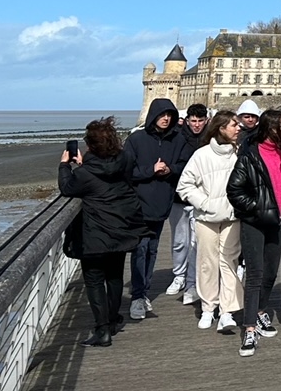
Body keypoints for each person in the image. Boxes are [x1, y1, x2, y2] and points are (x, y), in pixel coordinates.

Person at [59, 117, 144, 347]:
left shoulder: (86, 173)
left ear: (91, 145)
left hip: (95, 234)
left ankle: (102, 330)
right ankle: (113, 319)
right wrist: (85, 164)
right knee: (115, 276)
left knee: (95, 280)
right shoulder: (124, 160)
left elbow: (68, 188)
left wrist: (65, 165)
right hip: (120, 228)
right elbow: (109, 176)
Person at [227, 108, 281, 357]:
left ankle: (259, 311)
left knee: (271, 271)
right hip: (256, 221)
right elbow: (234, 190)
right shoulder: (251, 156)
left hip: (280, 220)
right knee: (256, 273)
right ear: (269, 128)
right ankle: (249, 328)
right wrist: (258, 208)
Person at [123, 97, 191, 321]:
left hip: (162, 205)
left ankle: (144, 292)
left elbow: (185, 166)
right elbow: (126, 171)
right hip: (138, 205)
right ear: (153, 116)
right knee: (140, 250)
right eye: (162, 115)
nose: (166, 119)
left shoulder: (178, 140)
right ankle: (138, 296)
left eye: (170, 115)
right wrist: (150, 170)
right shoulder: (136, 139)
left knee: (152, 250)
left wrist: (169, 169)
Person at [177, 110, 242, 334]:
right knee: (207, 262)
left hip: (233, 217)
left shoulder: (239, 154)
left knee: (229, 262)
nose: (238, 128)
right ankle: (208, 308)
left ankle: (227, 311)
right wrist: (204, 203)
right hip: (206, 218)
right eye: (234, 125)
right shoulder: (201, 155)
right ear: (221, 128)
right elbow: (184, 185)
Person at [168, 103, 208, 305]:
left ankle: (192, 283)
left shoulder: (210, 138)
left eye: (201, 121)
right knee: (179, 240)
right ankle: (179, 275)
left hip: (200, 197)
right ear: (188, 120)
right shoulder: (177, 137)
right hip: (178, 197)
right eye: (193, 121)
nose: (197, 125)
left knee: (195, 243)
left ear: (206, 120)